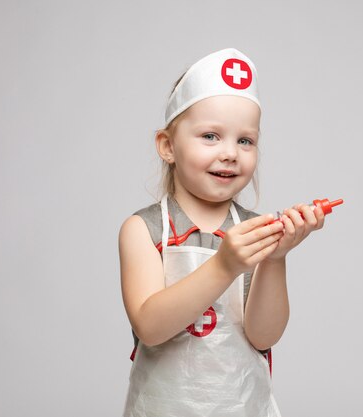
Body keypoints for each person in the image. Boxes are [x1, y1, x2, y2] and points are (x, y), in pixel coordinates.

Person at [119, 48, 326, 417]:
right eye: (211, 136)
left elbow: (263, 336)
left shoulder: (255, 229)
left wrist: (276, 257)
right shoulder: (143, 230)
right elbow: (150, 326)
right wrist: (224, 265)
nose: (230, 152)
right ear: (168, 146)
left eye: (245, 140)